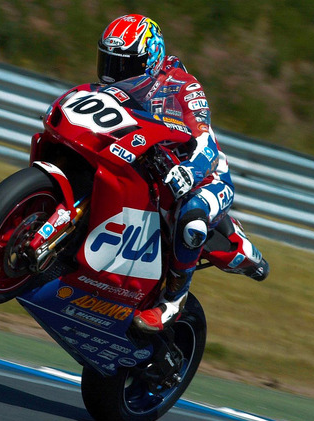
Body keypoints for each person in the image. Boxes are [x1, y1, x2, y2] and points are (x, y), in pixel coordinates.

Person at [96, 14, 256, 333]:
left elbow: (206, 143)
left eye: (124, 67)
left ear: (152, 60)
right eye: (109, 64)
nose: (114, 75)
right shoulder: (116, 93)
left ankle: (172, 301)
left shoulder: (183, 86)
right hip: (154, 171)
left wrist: (190, 170)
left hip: (206, 176)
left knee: (192, 219)